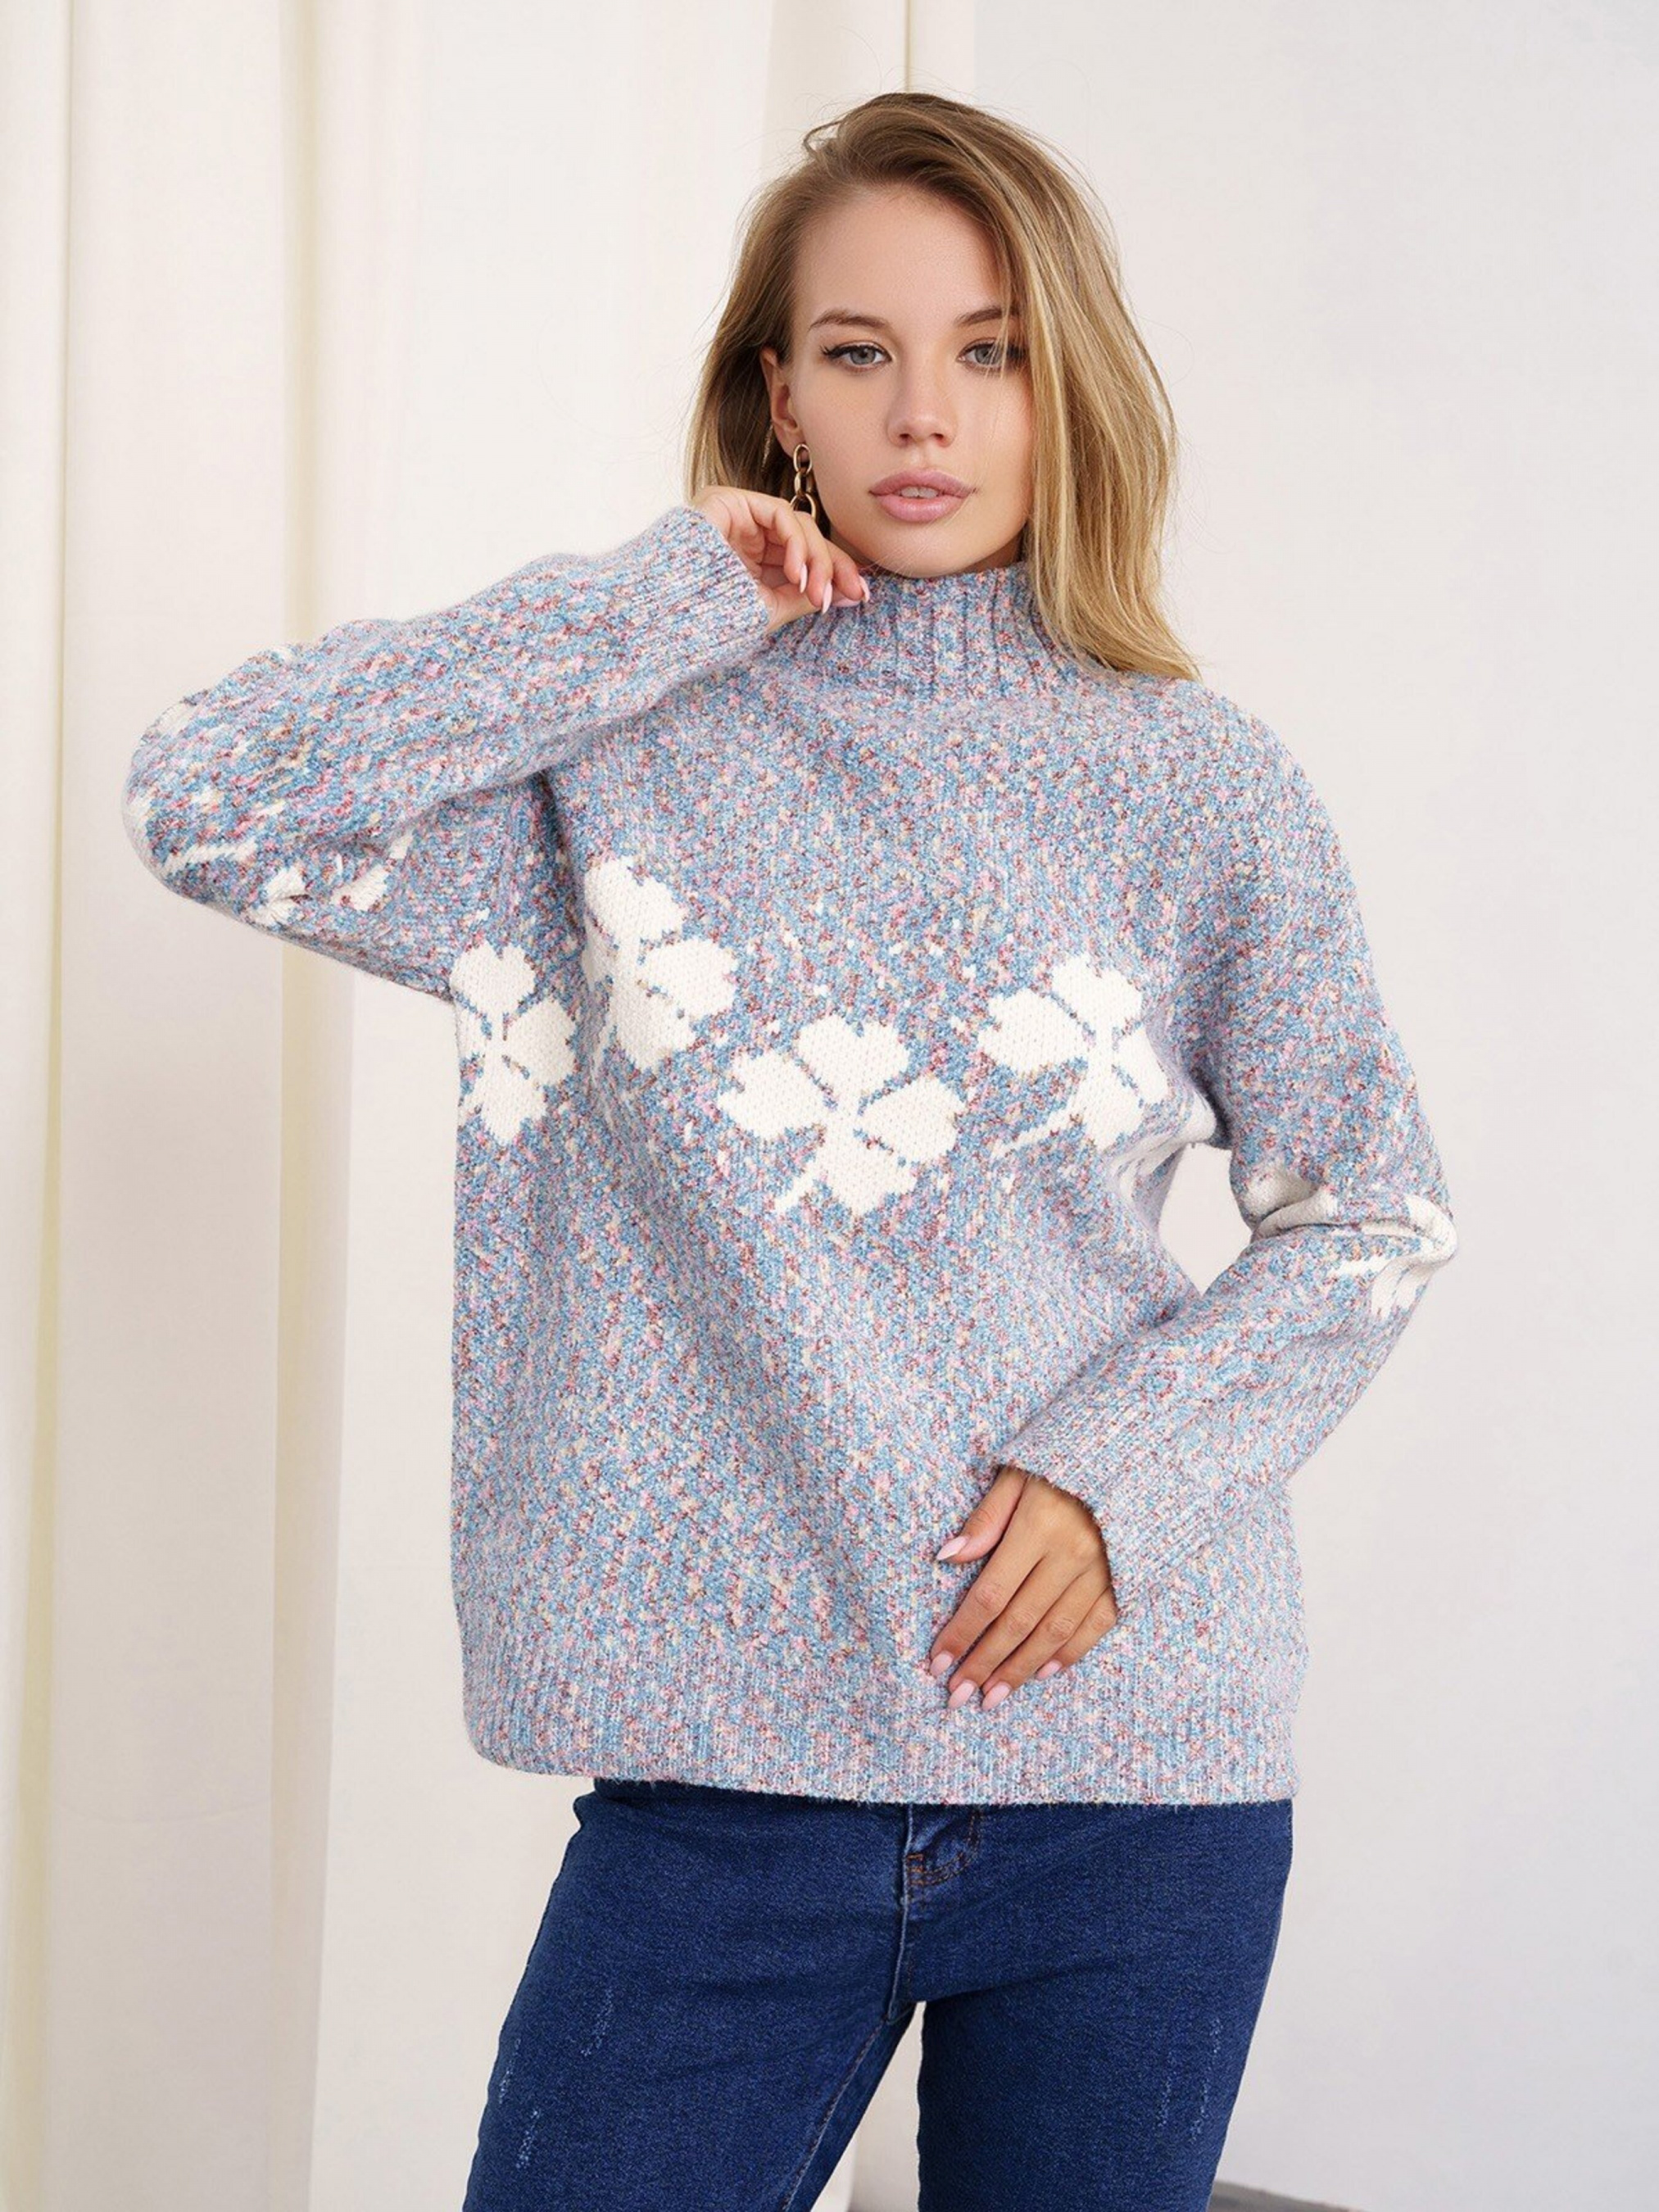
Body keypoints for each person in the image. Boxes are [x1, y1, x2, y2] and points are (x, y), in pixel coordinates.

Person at [121, 89, 1457, 2212]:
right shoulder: (603, 761)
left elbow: (1369, 1212)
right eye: (860, 350)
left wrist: (1121, 1472)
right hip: (723, 1795)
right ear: (778, 394)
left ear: (1066, 385)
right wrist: (657, 597)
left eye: (990, 350)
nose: (924, 410)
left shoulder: (1204, 785)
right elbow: (211, 800)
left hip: (1138, 1775)